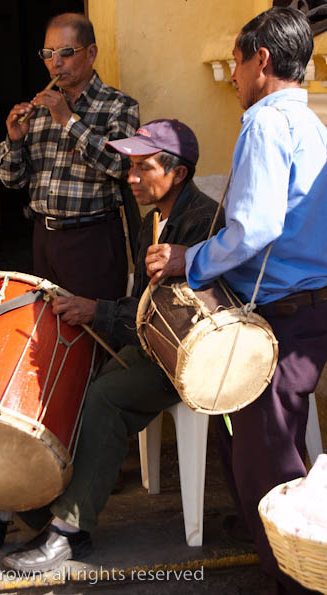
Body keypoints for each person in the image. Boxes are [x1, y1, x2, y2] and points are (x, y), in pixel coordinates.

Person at [0, 119, 223, 566]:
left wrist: (97, 311)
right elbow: (142, 305)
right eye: (131, 167)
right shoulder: (153, 220)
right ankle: (13, 507)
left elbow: (175, 314)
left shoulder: (203, 221)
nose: (131, 177)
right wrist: (96, 312)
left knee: (107, 397)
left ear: (178, 172)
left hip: (188, 356)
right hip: (152, 345)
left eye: (143, 167)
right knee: (74, 383)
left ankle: (69, 532)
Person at [146, 8, 327, 594]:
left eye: (238, 62)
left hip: (284, 312)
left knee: (267, 458)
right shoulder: (312, 122)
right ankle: (262, 540)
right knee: (250, 443)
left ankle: (296, 579)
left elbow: (255, 227)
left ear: (261, 60)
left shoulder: (266, 122)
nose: (234, 76)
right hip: (307, 306)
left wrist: (190, 259)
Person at [0, 12, 139, 300]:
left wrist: (68, 121)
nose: (55, 63)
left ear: (91, 53)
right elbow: (12, 180)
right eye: (48, 54)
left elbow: (121, 164)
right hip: (43, 237)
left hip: (92, 239)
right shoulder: (39, 110)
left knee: (94, 324)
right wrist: (14, 141)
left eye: (66, 52)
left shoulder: (119, 105)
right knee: (49, 324)